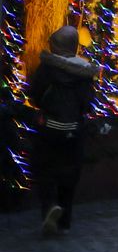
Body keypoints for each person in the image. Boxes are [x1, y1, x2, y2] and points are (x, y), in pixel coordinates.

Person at [28, 24, 96, 237]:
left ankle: (49, 207)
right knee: (70, 173)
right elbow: (88, 103)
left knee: (45, 170)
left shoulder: (46, 68)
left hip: (49, 128)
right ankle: (65, 222)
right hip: (73, 129)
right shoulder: (84, 72)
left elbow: (35, 95)